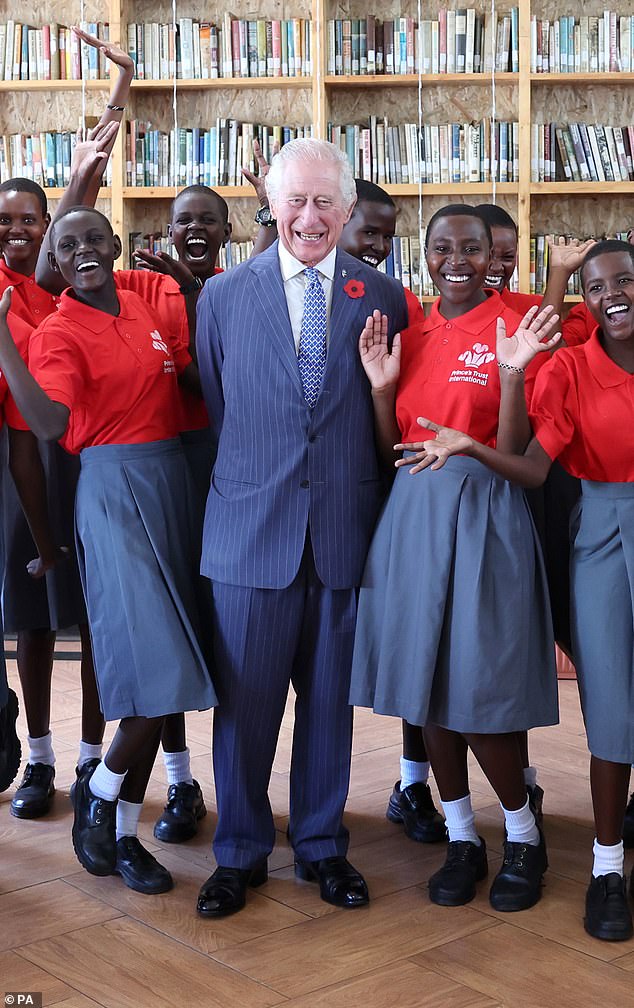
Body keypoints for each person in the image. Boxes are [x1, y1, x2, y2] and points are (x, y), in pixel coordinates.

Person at [195, 137, 408, 918]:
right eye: (296, 201)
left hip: (343, 535)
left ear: (349, 211)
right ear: (271, 206)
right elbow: (224, 412)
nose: (310, 217)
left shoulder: (383, 296)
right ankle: (240, 852)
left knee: (328, 711)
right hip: (251, 537)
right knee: (244, 712)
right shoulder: (221, 298)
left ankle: (322, 847)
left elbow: (384, 420)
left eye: (326, 202)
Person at [404, 238, 634, 942]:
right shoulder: (570, 364)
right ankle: (605, 868)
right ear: (583, 302)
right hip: (603, 531)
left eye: (624, 279)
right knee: (612, 706)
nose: (612, 294)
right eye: (596, 288)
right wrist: (470, 445)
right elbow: (534, 470)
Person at [0, 205, 217, 895]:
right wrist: (3, 343)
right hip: (114, 492)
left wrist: (191, 294)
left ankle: (120, 833)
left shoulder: (141, 305)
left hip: (172, 483)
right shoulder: (58, 332)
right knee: (154, 668)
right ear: (56, 264)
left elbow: (189, 382)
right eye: (68, 246)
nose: (83, 250)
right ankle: (101, 787)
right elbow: (46, 423)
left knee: (164, 676)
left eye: (94, 238)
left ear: (116, 245)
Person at [350, 204, 560, 912]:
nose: (458, 260)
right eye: (444, 248)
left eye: (472, 247)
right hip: (413, 513)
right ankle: (464, 836)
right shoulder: (414, 330)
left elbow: (512, 449)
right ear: (427, 255)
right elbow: (395, 451)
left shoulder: (514, 327)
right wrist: (382, 389)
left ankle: (524, 835)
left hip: (484, 512)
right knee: (426, 687)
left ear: (494, 254)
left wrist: (510, 377)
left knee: (479, 691)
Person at [0, 27, 133, 818]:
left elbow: (89, 172)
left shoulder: (53, 278)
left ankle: (91, 759)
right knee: (30, 621)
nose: (18, 232)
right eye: (5, 221)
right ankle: (40, 759)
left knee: (86, 611)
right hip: (16, 463)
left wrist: (121, 87)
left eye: (29, 221)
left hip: (73, 455)